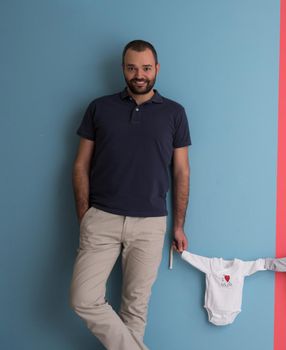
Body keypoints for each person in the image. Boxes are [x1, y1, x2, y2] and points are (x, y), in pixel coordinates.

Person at [69, 39, 191, 350]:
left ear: (157, 69)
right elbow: (80, 165)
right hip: (102, 218)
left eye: (146, 68)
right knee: (83, 299)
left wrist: (178, 225)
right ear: (123, 69)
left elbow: (181, 172)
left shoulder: (175, 113)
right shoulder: (99, 108)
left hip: (151, 224)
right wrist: (85, 216)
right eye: (132, 67)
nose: (140, 74)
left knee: (135, 310)